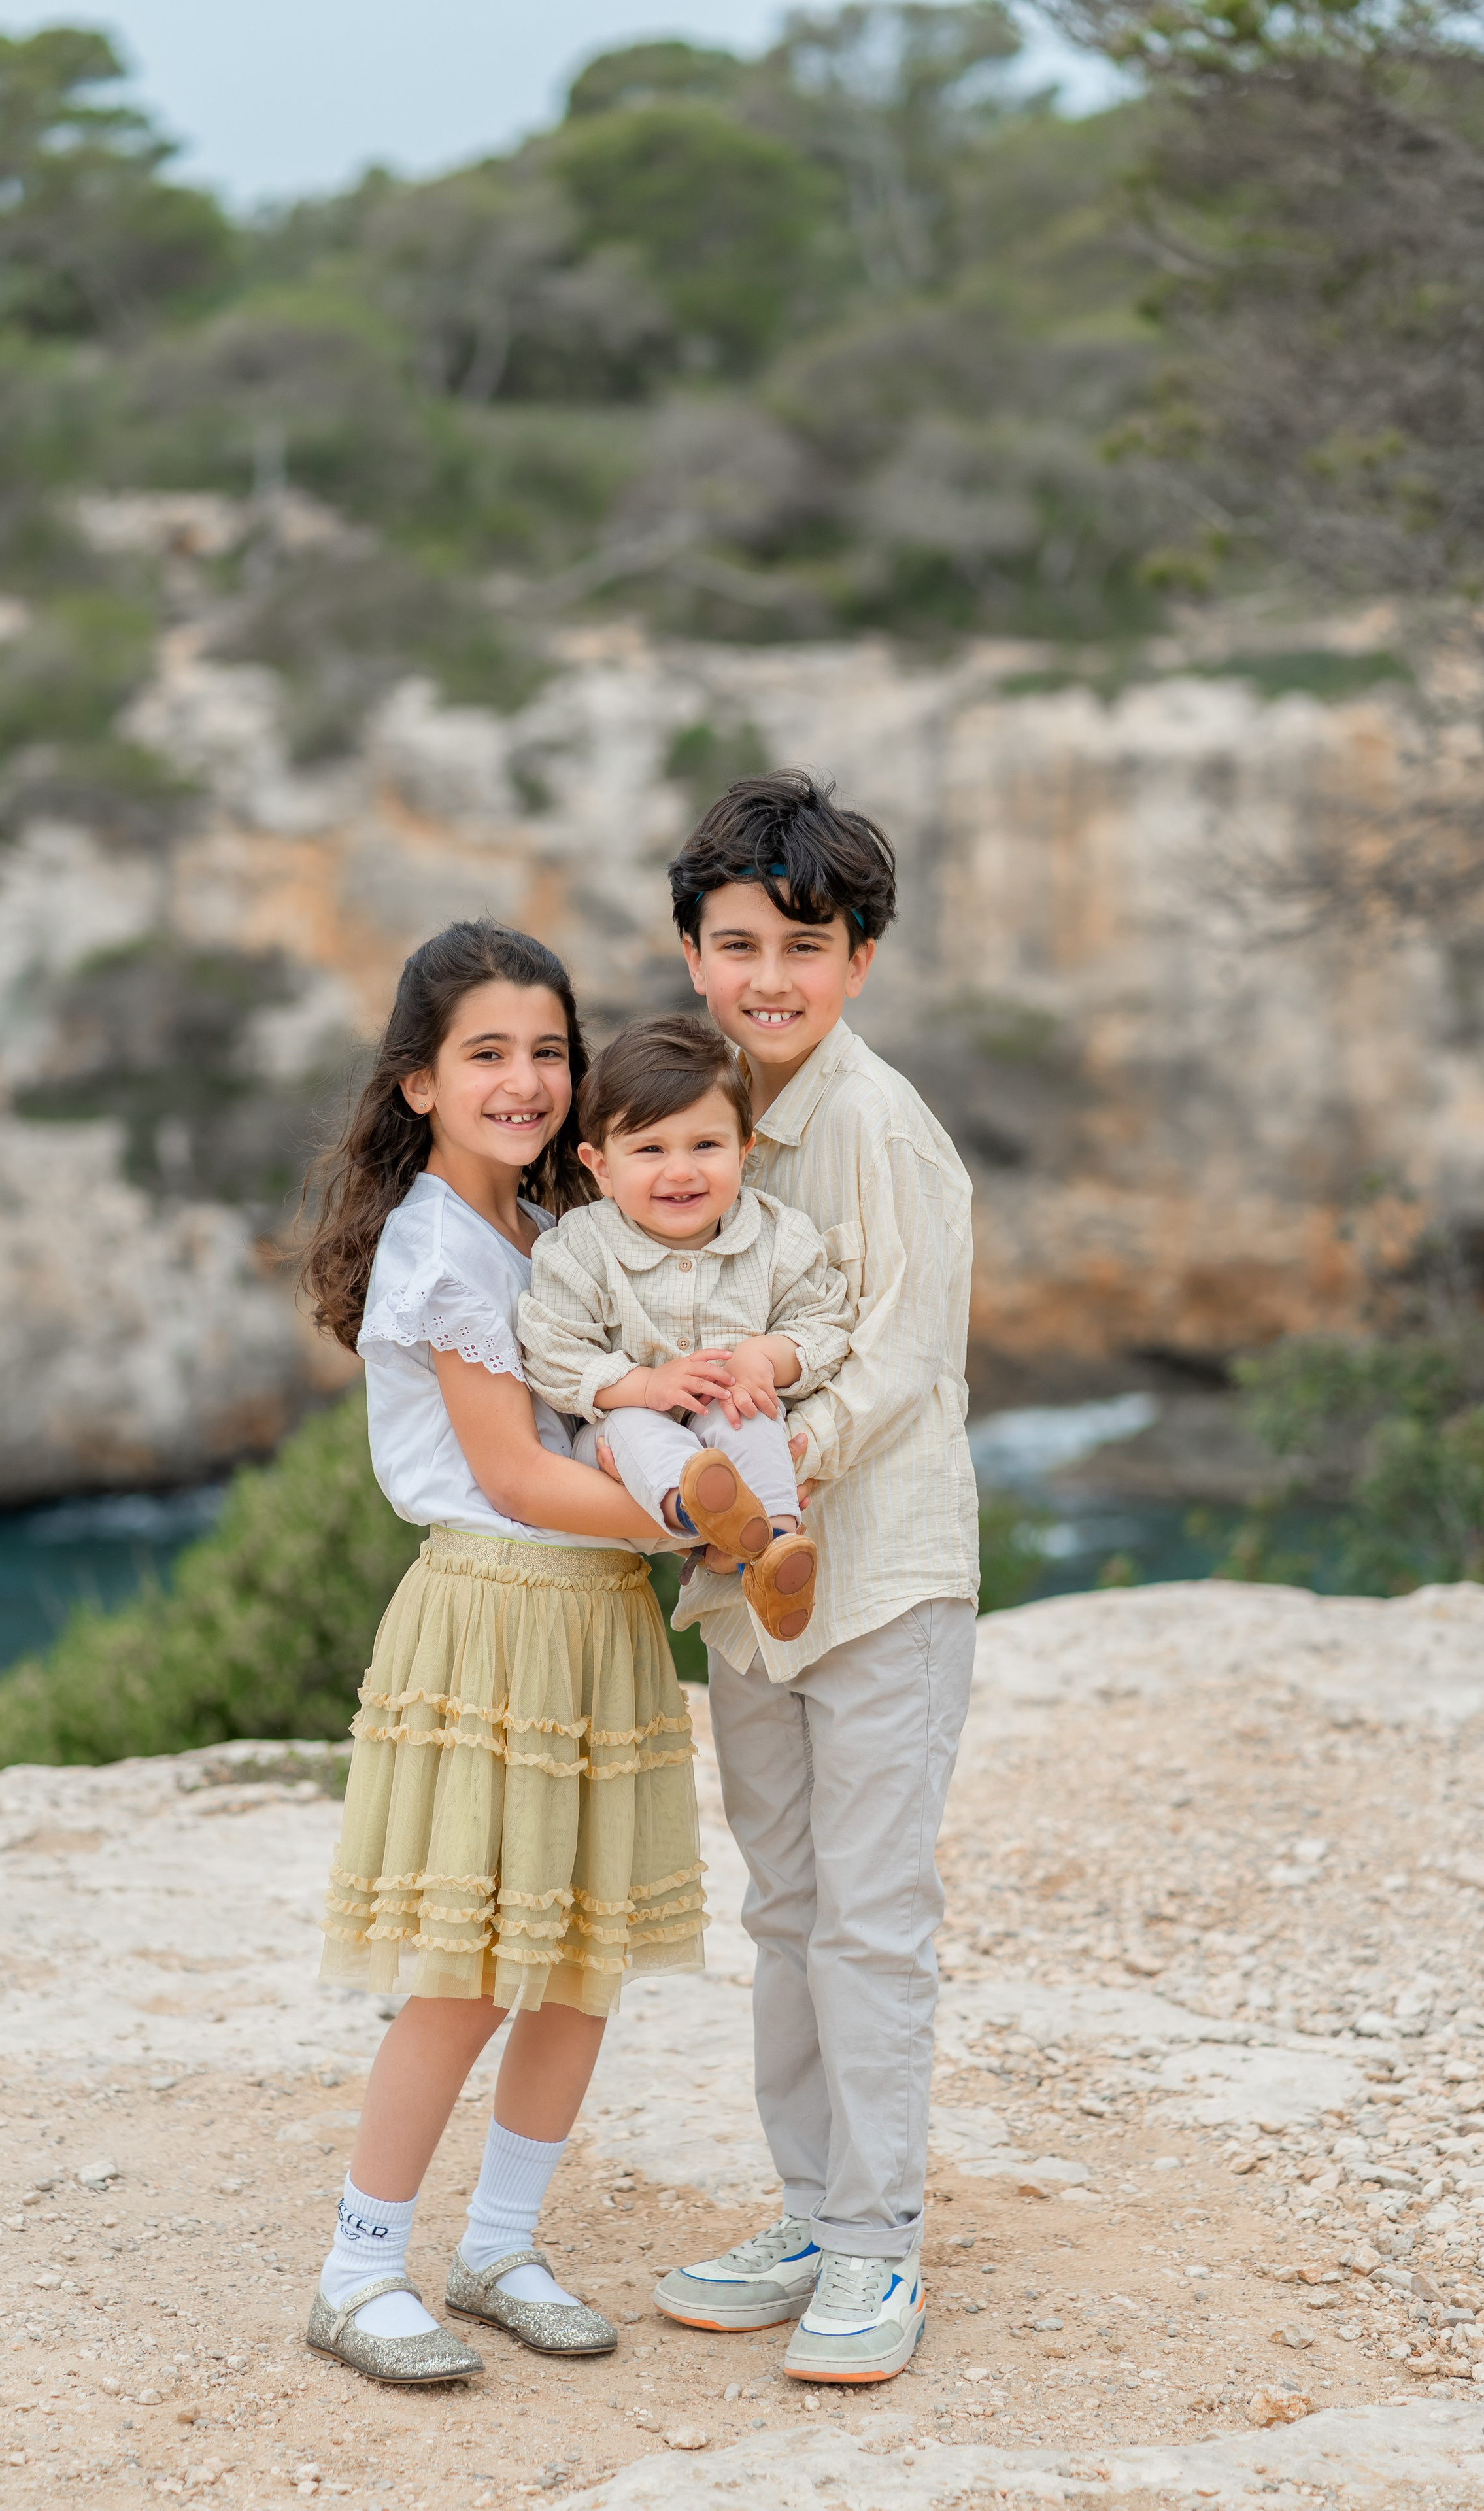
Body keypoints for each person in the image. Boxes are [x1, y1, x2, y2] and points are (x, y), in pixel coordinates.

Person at [297, 920, 707, 2387]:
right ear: (417, 1083)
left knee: (579, 1958)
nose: (526, 1080)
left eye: (548, 1050)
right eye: (487, 1053)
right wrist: (698, 1527)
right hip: (498, 1609)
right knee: (470, 1966)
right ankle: (357, 2269)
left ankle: (498, 2246)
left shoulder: (543, 1235)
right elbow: (522, 1482)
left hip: (592, 1614)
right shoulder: (437, 1248)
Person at [647, 772, 979, 2386]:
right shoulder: (703, 1120)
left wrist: (761, 1485)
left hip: (877, 1578)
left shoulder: (872, 1124)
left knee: (865, 1921)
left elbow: (905, 1364)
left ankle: (876, 2248)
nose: (765, 975)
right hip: (746, 1588)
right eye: (734, 943)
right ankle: (809, 2209)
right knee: (783, 1909)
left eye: (802, 942)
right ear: (690, 952)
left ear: (858, 956)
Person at [517, 1012, 854, 1644]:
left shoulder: (778, 1238)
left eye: (706, 1146)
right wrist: (639, 1385)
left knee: (749, 1413)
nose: (681, 1172)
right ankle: (698, 1513)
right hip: (620, 1439)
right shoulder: (580, 1249)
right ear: (601, 1166)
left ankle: (777, 1548)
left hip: (728, 1417)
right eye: (650, 1150)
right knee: (639, 1430)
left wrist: (769, 1357)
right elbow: (551, 1352)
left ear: (745, 1149)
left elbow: (826, 1321)